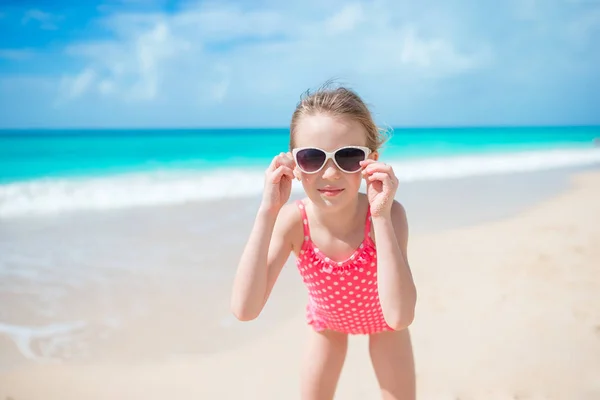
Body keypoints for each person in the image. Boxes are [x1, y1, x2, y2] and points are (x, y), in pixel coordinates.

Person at [231, 82, 417, 400]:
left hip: (385, 325)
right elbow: (244, 309)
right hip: (327, 326)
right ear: (294, 165)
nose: (329, 173)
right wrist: (268, 210)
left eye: (347, 156)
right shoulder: (294, 221)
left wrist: (381, 215)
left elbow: (399, 316)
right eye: (312, 158)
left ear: (370, 161)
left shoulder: (389, 216)